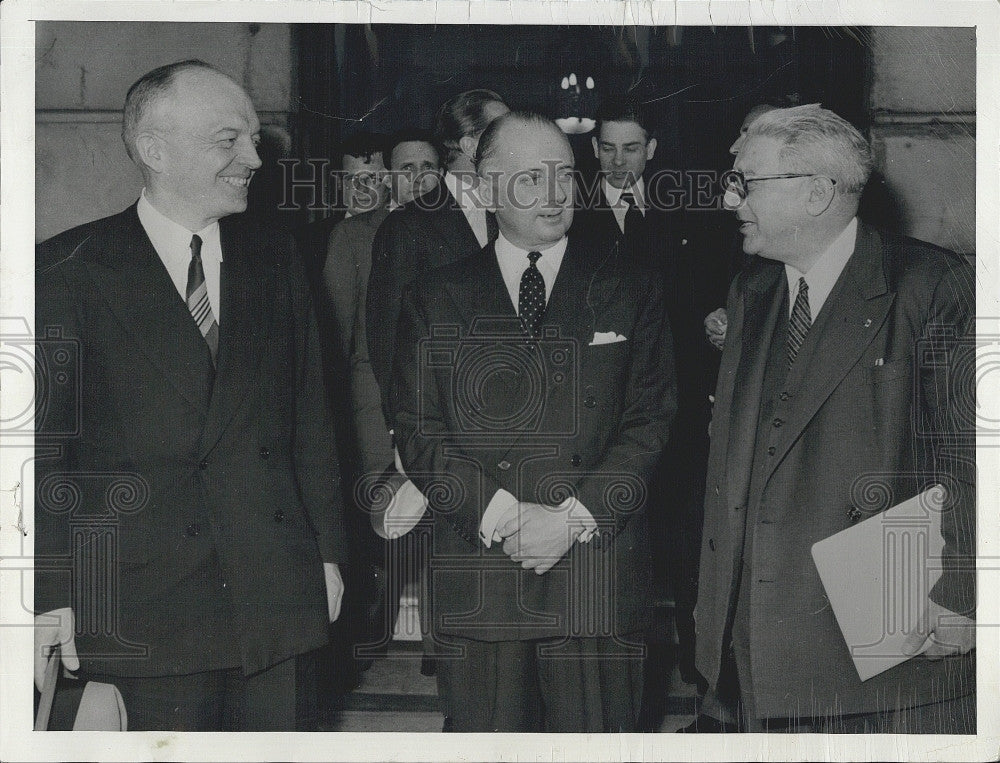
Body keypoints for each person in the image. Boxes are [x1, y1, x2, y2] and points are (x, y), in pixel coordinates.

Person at [33, 60, 347, 731]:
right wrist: (52, 593)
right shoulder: (68, 271)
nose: (255, 158)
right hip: (141, 608)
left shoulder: (278, 260)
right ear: (154, 148)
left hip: (275, 603)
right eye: (228, 140)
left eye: (254, 138)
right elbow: (43, 454)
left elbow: (313, 422)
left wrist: (327, 555)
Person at [389, 111, 677, 731]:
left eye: (565, 176)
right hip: (481, 577)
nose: (555, 195)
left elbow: (651, 421)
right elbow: (419, 430)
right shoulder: (435, 296)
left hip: (595, 580)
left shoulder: (632, 285)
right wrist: (500, 516)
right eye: (530, 179)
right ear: (488, 189)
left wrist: (572, 520)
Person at [695, 105, 975, 732]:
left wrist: (962, 598)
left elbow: (971, 454)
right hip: (758, 644)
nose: (727, 197)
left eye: (744, 181)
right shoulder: (754, 291)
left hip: (883, 645)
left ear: (816, 193)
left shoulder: (932, 284)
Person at [366, 89, 509, 399]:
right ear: (471, 146)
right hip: (440, 413)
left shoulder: (515, 213)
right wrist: (406, 430)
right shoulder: (407, 225)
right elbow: (387, 338)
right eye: (502, 131)